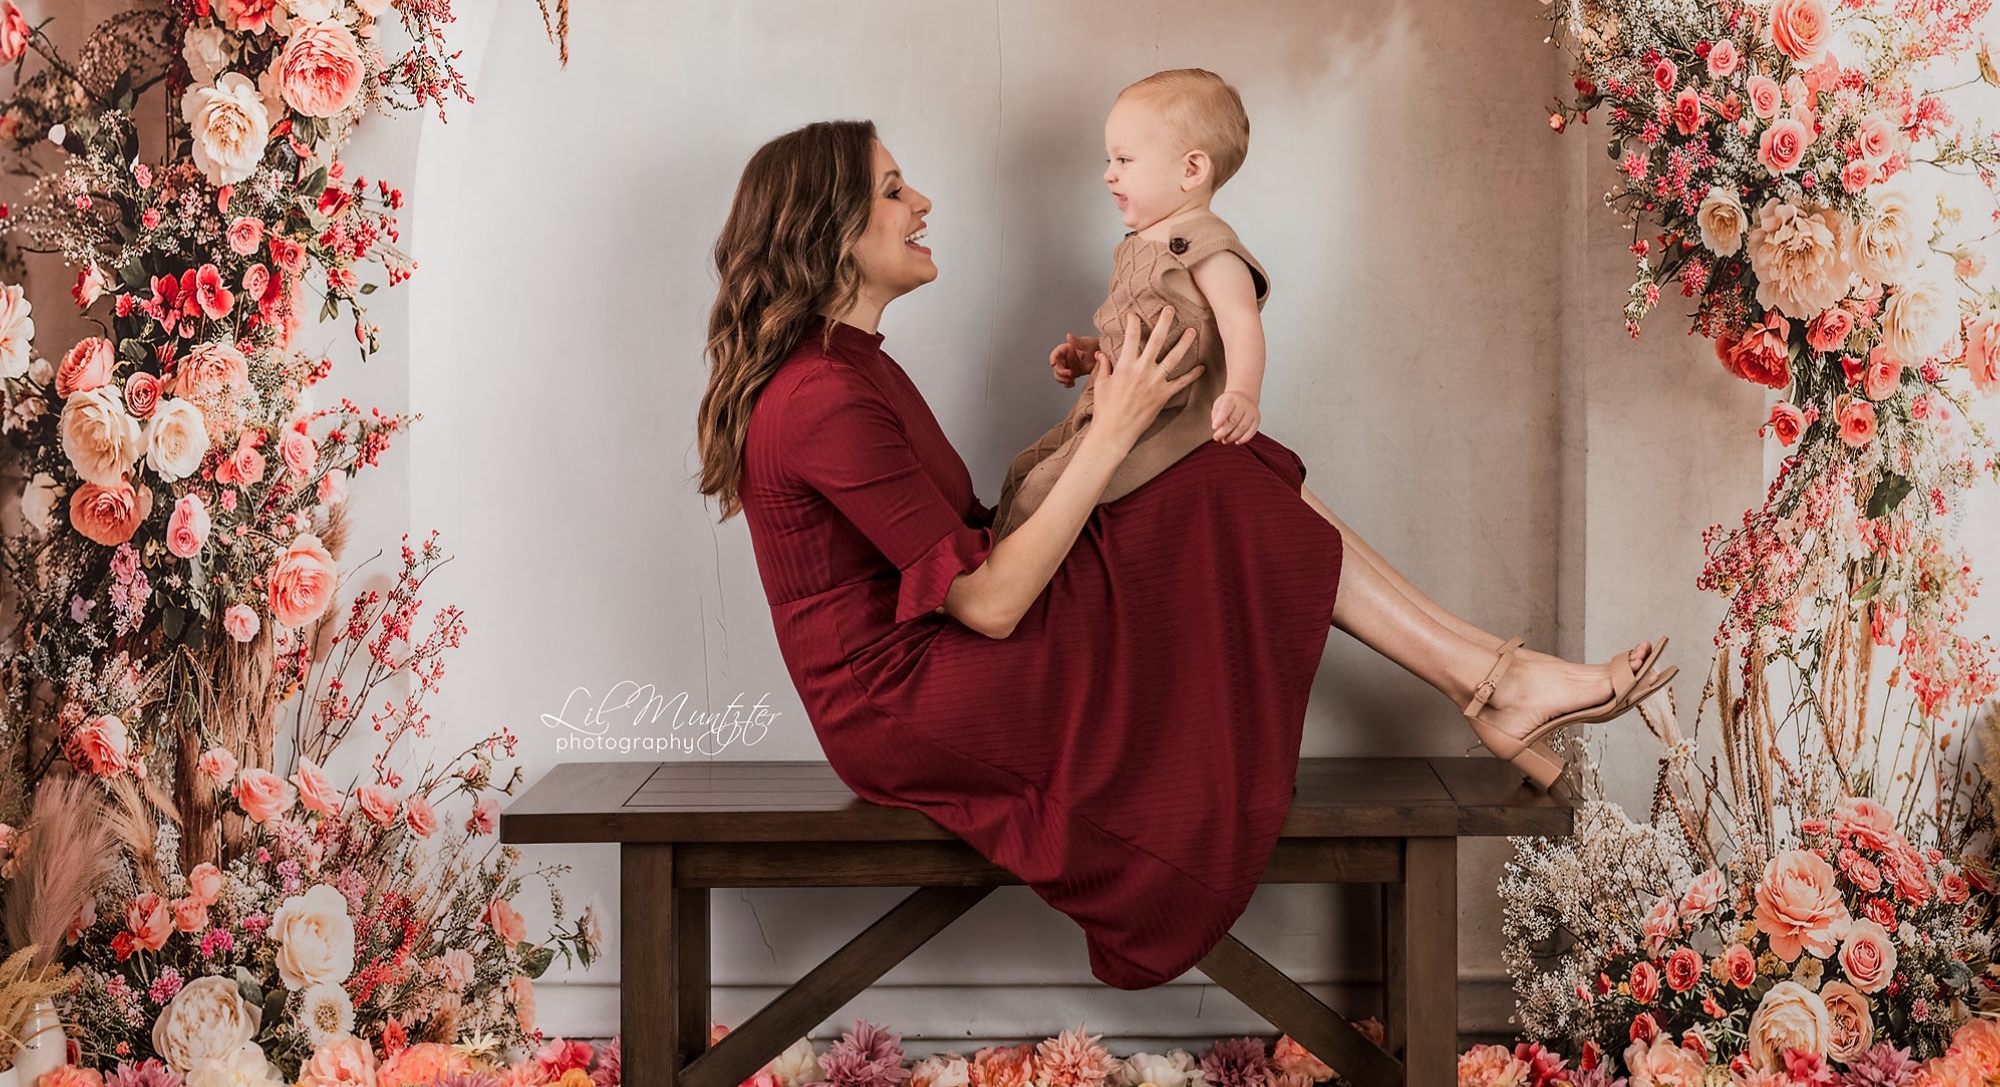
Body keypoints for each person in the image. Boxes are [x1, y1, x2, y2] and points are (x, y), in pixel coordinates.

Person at [696, 120, 1672, 991]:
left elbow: (974, 544)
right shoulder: (819, 394)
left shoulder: (849, 367)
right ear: (828, 229)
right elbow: (986, 603)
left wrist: (1104, 414)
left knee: (1213, 465)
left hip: (945, 666)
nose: (922, 203)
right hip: (909, 707)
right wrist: (1113, 431)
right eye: (892, 188)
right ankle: (1491, 680)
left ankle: (1491, 677)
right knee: (1209, 475)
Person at [993, 69, 1271, 541]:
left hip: (1164, 416)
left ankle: (1016, 588)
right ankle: (993, 574)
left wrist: (1243, 392)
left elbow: (1240, 321)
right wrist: (1092, 352)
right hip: (1110, 404)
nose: (1109, 172)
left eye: (1124, 159)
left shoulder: (1207, 245)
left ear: (1191, 170)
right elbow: (1142, 326)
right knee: (1024, 470)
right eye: (1110, 158)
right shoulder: (1141, 241)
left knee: (1043, 492)